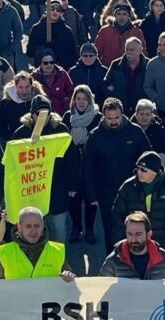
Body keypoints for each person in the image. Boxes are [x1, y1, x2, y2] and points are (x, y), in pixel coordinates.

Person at [83, 97, 151, 251]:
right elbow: (87, 167)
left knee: (136, 230)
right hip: (107, 193)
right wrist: (91, 196)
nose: (113, 122)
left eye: (116, 118)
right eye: (109, 118)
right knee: (112, 231)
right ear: (103, 116)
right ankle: (113, 263)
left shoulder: (135, 131)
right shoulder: (95, 136)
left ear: (122, 114)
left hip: (134, 191)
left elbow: (149, 157)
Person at [12, 95, 77, 243]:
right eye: (38, 113)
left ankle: (60, 264)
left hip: (57, 190)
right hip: (32, 192)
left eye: (46, 113)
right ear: (31, 114)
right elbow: (14, 164)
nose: (43, 117)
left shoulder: (60, 129)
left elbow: (72, 159)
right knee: (34, 234)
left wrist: (73, 185)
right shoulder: (21, 133)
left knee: (59, 231)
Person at [111, 151, 165, 252]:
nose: (139, 172)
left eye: (144, 169)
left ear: (155, 171)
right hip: (135, 244)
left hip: (162, 245)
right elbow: (117, 216)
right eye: (138, 168)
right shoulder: (128, 187)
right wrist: (119, 242)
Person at [61, 85, 101, 244]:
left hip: (92, 165)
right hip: (73, 165)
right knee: (74, 197)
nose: (81, 102)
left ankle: (90, 229)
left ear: (90, 100)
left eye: (85, 98)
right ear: (74, 100)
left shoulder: (98, 118)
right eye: (78, 98)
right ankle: (76, 227)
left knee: (91, 198)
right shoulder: (67, 117)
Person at [26, 0, 78, 70]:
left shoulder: (66, 31)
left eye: (58, 10)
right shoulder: (37, 28)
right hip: (42, 70)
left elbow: (72, 54)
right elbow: (30, 52)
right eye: (52, 9)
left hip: (60, 71)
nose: (55, 12)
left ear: (61, 13)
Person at [103, 37, 148, 117]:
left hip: (142, 112)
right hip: (120, 111)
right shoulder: (116, 65)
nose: (129, 52)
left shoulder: (149, 66)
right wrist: (114, 95)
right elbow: (105, 85)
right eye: (127, 49)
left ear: (140, 50)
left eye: (132, 50)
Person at [0, 71, 46, 141]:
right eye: (20, 87)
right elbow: (0, 127)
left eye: (27, 87)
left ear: (32, 86)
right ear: (15, 86)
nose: (24, 91)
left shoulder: (42, 101)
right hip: (16, 143)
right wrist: (12, 139)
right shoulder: (6, 103)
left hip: (40, 142)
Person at [131, 99, 165, 170]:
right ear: (136, 115)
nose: (144, 118)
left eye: (147, 114)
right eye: (141, 114)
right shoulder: (130, 130)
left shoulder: (159, 130)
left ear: (152, 116)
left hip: (154, 167)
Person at [31, 49, 74, 115]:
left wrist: (66, 105)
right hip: (41, 113)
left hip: (61, 113)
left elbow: (71, 91)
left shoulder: (62, 73)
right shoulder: (34, 76)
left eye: (51, 62)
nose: (49, 65)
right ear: (40, 63)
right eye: (45, 63)